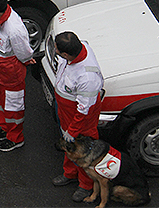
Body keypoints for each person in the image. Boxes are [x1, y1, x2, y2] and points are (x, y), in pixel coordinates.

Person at [52, 31, 104, 203]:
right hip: (66, 114)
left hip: (81, 121)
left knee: (83, 153)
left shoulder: (87, 77)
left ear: (66, 54)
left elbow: (83, 110)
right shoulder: (77, 50)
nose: (55, 50)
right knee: (70, 148)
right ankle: (70, 173)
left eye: (57, 50)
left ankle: (86, 185)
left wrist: (72, 131)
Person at [0, 0, 35, 152]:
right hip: (2, 72)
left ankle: (16, 138)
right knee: (3, 104)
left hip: (12, 74)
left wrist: (27, 59)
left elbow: (24, 52)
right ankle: (6, 129)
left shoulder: (14, 28)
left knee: (13, 106)